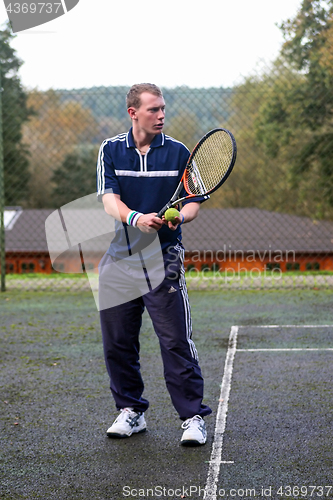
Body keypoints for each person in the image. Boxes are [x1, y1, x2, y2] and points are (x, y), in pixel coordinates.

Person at [96, 83, 212, 446]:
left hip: (163, 258)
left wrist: (182, 218)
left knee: (175, 339)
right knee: (117, 342)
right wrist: (134, 218)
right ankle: (132, 411)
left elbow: (192, 202)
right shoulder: (111, 149)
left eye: (163, 109)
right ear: (133, 113)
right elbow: (108, 200)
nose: (161, 115)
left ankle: (193, 417)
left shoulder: (179, 153)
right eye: (153, 110)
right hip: (119, 259)